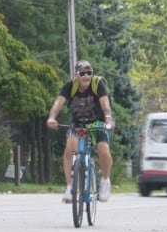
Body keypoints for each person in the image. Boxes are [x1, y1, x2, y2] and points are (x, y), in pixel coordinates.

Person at [46, 60, 115, 203]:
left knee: (103, 149)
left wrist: (108, 119)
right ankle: (70, 187)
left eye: (89, 73)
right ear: (76, 75)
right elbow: (58, 103)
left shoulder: (97, 84)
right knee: (69, 149)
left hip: (97, 124)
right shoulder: (70, 86)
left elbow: (105, 105)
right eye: (82, 73)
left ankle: (105, 181)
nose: (86, 76)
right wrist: (52, 118)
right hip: (78, 124)